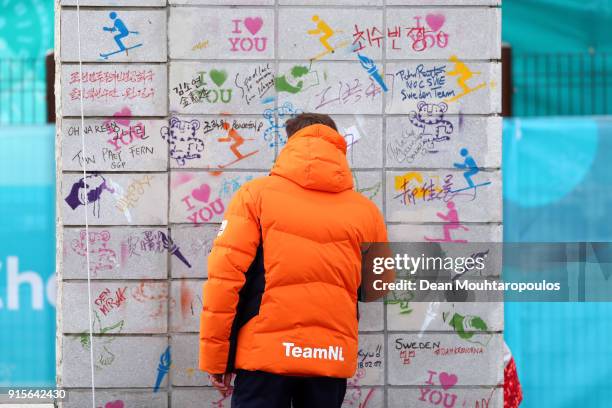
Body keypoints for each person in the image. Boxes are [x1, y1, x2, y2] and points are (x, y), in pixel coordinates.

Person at [199, 113, 391, 407]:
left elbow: (224, 282)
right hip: (329, 357)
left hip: (263, 356)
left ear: (291, 144)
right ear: (338, 146)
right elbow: (377, 288)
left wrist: (217, 359)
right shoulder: (366, 211)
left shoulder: (255, 196)